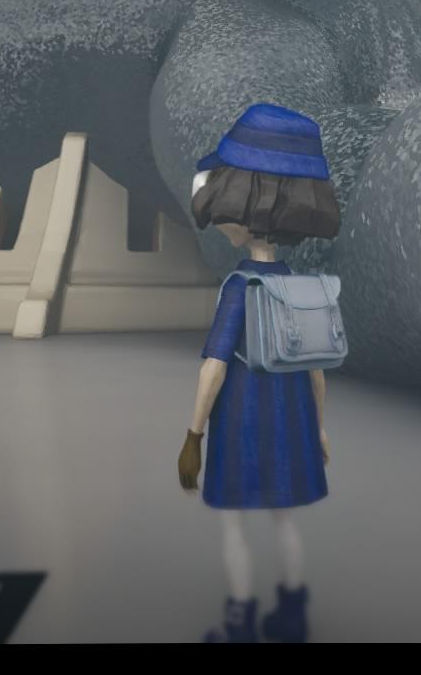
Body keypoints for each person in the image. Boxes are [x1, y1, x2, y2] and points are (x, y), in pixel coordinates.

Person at [178, 103, 342, 643]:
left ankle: (240, 623)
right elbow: (315, 368)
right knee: (284, 520)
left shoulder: (239, 288)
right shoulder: (298, 286)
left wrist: (193, 436)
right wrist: (320, 428)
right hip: (293, 419)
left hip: (243, 422)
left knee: (234, 524)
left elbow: (214, 368)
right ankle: (292, 617)